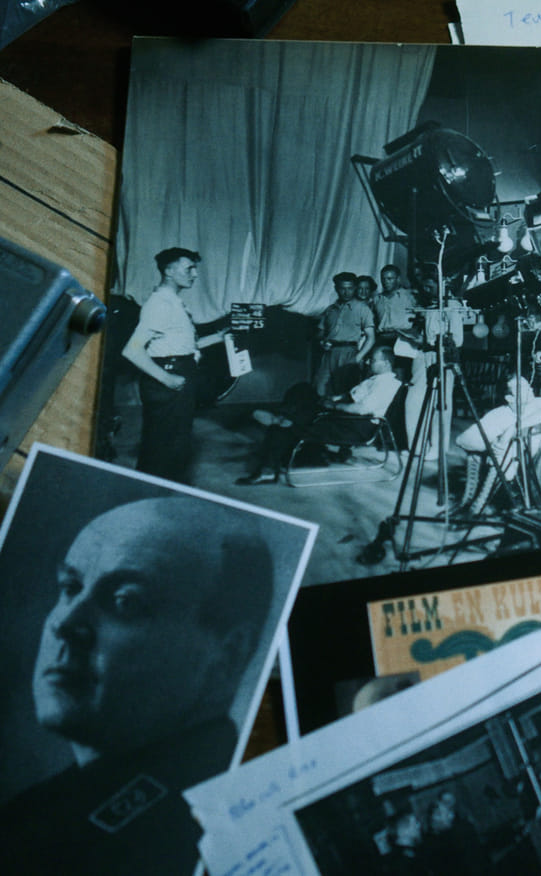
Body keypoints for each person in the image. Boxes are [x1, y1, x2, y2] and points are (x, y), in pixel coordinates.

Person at [0, 497, 275, 875]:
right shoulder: (42, 810)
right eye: (70, 586)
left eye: (125, 601)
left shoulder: (195, 839)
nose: (65, 624)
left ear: (228, 654)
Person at [121, 247, 227, 483]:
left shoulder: (174, 302)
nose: (195, 274)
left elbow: (183, 346)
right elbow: (132, 350)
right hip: (168, 376)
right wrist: (167, 379)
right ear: (169, 271)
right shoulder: (161, 304)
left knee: (173, 444)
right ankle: (150, 494)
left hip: (179, 370)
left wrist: (219, 337)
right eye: (189, 269)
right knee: (163, 447)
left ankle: (162, 492)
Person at [236, 346, 404, 484]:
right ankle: (283, 418)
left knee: (285, 427)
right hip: (345, 416)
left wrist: (335, 405)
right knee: (303, 390)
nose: (368, 362)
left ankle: (269, 463)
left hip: (356, 425)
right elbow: (353, 396)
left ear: (386, 363)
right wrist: (335, 399)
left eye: (372, 360)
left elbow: (362, 409)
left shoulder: (387, 384)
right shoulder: (375, 379)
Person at [453, 374, 541, 516]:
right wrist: (493, 444)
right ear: (510, 398)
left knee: (507, 449)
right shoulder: (500, 413)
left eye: (529, 386)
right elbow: (462, 440)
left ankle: (482, 504)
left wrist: (512, 430)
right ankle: (470, 500)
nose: (531, 390)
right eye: (523, 388)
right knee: (479, 453)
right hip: (514, 461)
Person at [315, 271, 376, 396]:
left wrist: (358, 357)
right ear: (336, 289)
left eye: (350, 288)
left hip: (349, 352)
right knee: (320, 388)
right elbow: (320, 333)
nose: (346, 292)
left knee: (343, 391)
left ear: (355, 288)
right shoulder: (330, 309)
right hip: (329, 353)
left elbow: (371, 338)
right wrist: (322, 341)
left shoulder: (362, 308)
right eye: (342, 288)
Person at [373, 263, 421, 351]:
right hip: (382, 338)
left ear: (398, 279)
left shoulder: (410, 297)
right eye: (383, 279)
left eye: (389, 279)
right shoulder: (377, 299)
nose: (385, 282)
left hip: (403, 339)